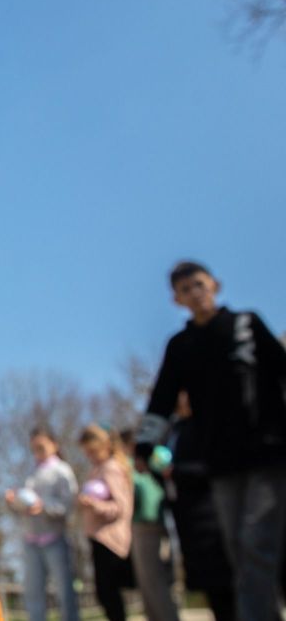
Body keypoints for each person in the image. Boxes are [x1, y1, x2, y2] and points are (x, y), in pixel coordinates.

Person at [135, 260, 286, 621]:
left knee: (258, 540)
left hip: (266, 454)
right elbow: (162, 397)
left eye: (199, 285)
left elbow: (281, 370)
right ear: (177, 299)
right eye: (185, 289)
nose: (195, 294)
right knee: (236, 547)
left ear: (215, 285)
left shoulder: (246, 326)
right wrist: (144, 444)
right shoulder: (181, 346)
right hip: (220, 462)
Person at [164, 391, 236, 621]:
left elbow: (214, 465)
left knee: (227, 583)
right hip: (187, 518)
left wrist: (177, 472)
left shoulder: (206, 423)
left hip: (212, 514)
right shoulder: (173, 430)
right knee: (211, 588)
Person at [6, 427, 80, 621]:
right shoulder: (31, 472)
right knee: (33, 594)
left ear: (54, 445)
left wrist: (44, 506)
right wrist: (14, 502)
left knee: (64, 591)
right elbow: (25, 506)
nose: (37, 452)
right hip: (31, 541)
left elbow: (68, 504)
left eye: (41, 447)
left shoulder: (62, 470)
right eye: (34, 449)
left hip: (54, 539)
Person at [120, 428, 179, 621]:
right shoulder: (138, 464)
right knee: (147, 584)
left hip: (149, 524)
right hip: (146, 523)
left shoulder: (142, 464)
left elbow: (147, 496)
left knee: (154, 582)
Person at [78, 424, 134, 621]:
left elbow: (122, 507)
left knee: (108, 591)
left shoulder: (111, 468)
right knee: (105, 592)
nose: (90, 456)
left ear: (105, 445)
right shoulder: (97, 470)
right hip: (97, 537)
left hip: (110, 539)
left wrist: (95, 505)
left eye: (93, 451)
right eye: (87, 453)